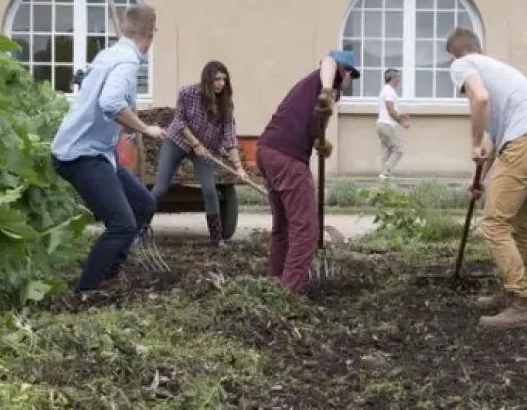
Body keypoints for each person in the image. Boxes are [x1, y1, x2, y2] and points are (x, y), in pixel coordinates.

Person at [51, 4, 167, 293]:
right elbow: (111, 103)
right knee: (121, 223)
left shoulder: (109, 55)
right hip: (80, 154)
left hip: (100, 152)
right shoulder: (126, 62)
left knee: (143, 204)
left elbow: (96, 91)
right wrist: (144, 128)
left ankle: (112, 273)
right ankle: (86, 291)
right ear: (151, 33)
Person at [447, 27, 527, 328]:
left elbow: (479, 99)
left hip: (522, 144)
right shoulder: (500, 70)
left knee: (494, 224)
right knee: (520, 225)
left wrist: (473, 142)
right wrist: (478, 180)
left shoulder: (462, 64)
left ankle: (521, 302)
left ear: (453, 56)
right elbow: (494, 141)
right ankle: (512, 291)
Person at [256, 50, 359, 292]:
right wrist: (328, 91)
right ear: (345, 72)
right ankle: (288, 292)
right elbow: (328, 61)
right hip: (288, 158)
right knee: (306, 232)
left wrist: (320, 142)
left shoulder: (314, 90)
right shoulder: (326, 81)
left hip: (267, 149)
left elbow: (311, 126)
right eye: (351, 76)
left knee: (283, 226)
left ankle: (276, 281)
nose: (350, 82)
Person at [153, 61, 248, 247]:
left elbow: (230, 138)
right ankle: (139, 231)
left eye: (224, 80)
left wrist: (239, 168)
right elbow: (179, 121)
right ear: (207, 80)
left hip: (205, 150)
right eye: (217, 79)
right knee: (161, 187)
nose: (221, 83)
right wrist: (195, 143)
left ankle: (216, 240)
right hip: (177, 141)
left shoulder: (226, 104)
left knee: (210, 190)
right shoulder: (188, 92)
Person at [376, 68, 409, 180]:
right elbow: (390, 110)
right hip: (387, 125)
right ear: (392, 78)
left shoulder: (385, 90)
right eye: (397, 77)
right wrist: (401, 122)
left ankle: (383, 177)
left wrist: (401, 115)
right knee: (399, 149)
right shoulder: (389, 91)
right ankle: (385, 172)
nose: (399, 80)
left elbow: (389, 110)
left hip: (381, 124)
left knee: (386, 150)